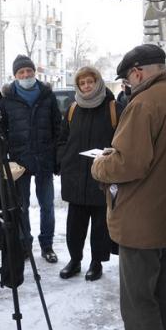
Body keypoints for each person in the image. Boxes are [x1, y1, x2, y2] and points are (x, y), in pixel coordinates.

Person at [91, 43, 166, 330]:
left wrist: (100, 165)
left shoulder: (144, 104)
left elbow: (128, 163)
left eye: (127, 81)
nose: (128, 88)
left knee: (138, 300)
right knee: (162, 290)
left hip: (141, 221)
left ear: (138, 72)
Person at [56, 66, 123, 281]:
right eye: (82, 83)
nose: (86, 86)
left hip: (101, 175)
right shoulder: (73, 109)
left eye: (90, 82)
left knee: (100, 224)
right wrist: (62, 160)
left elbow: (122, 141)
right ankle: (75, 260)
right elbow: (62, 138)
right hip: (75, 174)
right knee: (74, 224)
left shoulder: (114, 108)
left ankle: (96, 262)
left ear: (98, 82)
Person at [0, 55, 61, 263]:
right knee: (22, 206)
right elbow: (2, 129)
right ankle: (25, 244)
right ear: (15, 75)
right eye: (21, 72)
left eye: (28, 71)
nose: (26, 75)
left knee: (47, 205)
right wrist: (7, 154)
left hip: (44, 158)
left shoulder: (47, 95)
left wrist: (55, 156)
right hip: (20, 161)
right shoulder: (7, 98)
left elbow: (57, 127)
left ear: (34, 72)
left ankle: (47, 245)